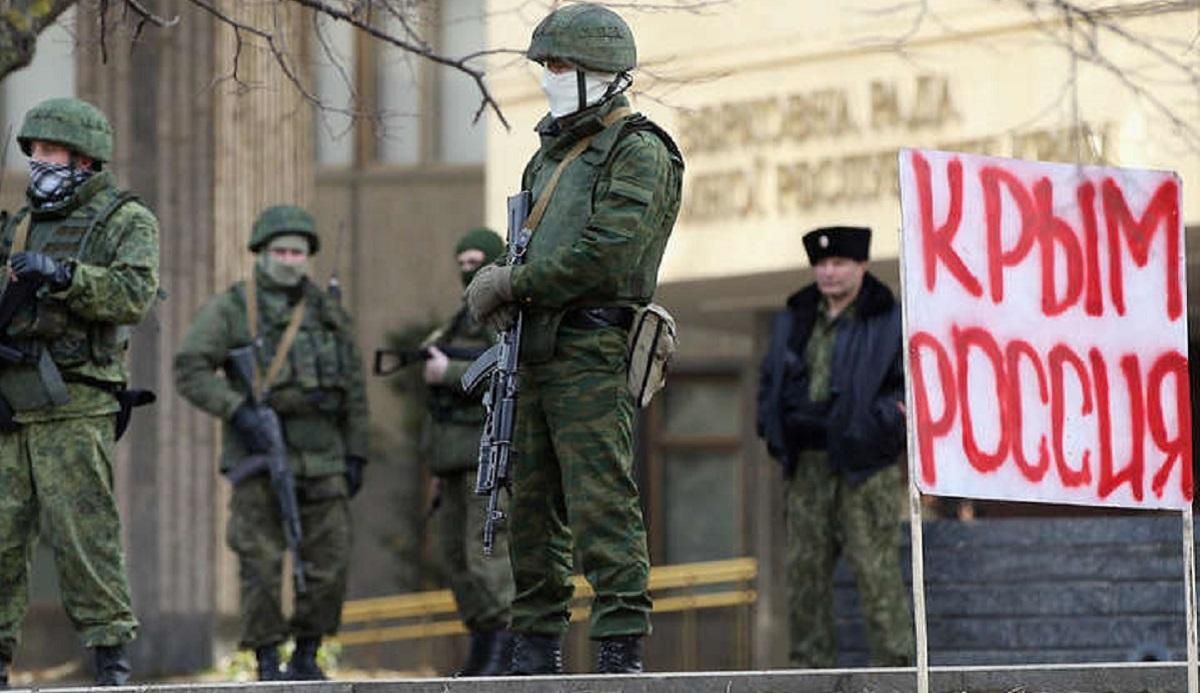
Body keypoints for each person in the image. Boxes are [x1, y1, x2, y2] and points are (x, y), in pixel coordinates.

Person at [463, 2, 683, 675]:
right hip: (534, 349)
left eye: (561, 65)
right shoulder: (546, 155)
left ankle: (619, 647)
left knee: (600, 501)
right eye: (548, 64)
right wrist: (506, 286)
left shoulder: (639, 149)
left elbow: (606, 259)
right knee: (528, 505)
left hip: (591, 349)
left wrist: (512, 284)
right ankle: (534, 644)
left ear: (602, 71)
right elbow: (525, 246)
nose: (550, 77)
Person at [0, 97, 159, 687]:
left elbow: (132, 295)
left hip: (75, 399)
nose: (39, 161)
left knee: (83, 534)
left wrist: (65, 276)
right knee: (2, 536)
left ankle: (109, 657)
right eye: (33, 151)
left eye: (49, 150)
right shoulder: (17, 225)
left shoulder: (126, 220)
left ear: (84, 157)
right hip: (11, 402)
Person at [173, 205, 368, 681]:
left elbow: (355, 388)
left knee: (329, 562)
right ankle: (266, 657)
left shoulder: (328, 313)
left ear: (309, 258)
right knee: (259, 561)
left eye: (297, 252)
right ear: (260, 254)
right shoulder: (234, 308)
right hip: (259, 454)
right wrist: (237, 410)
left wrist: (356, 450)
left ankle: (307, 652)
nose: (287, 259)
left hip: (323, 455)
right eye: (279, 250)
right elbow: (190, 367)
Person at [756, 226, 914, 668]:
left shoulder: (889, 319)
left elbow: (908, 392)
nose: (829, 272)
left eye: (839, 263)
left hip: (865, 469)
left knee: (877, 575)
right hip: (806, 465)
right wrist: (772, 423)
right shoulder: (795, 316)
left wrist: (868, 426)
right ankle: (810, 674)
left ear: (862, 265)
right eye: (821, 264)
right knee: (804, 579)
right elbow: (769, 380)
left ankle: (897, 672)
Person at [420, 228, 514, 676]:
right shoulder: (459, 318)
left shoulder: (500, 313)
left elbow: (507, 368)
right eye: (461, 263)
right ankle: (482, 641)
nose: (467, 271)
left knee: (485, 553)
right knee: (455, 559)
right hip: (452, 456)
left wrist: (449, 371)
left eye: (475, 261)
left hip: (487, 452)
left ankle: (503, 645)